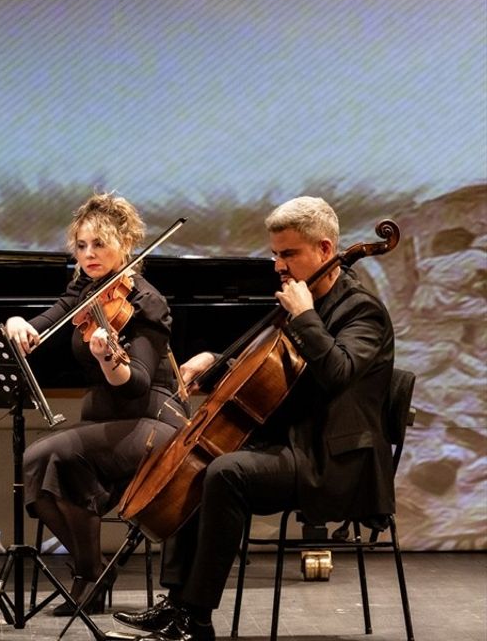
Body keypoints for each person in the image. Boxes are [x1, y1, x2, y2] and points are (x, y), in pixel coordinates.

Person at [112, 197, 396, 641]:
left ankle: (197, 619)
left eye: (289, 254)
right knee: (202, 462)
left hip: (333, 461)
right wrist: (216, 364)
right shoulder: (295, 301)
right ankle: (177, 604)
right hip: (289, 444)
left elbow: (338, 372)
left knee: (225, 472)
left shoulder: (361, 311)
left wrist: (304, 316)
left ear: (325, 250)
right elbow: (267, 370)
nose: (278, 265)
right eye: (274, 254)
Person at [5, 193, 188, 616]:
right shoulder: (86, 290)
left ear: (125, 243)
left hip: (153, 419)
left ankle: (90, 578)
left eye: (99, 245)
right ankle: (92, 568)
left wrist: (110, 360)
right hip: (107, 421)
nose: (89, 254)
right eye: (82, 246)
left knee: (62, 454)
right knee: (36, 460)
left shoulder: (146, 301)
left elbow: (136, 386)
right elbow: (50, 318)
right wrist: (22, 326)